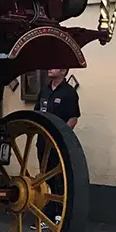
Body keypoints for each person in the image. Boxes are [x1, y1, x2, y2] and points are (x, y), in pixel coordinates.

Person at [33, 67, 79, 222]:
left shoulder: (69, 92)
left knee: (60, 177)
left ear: (63, 71)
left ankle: (61, 213)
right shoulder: (44, 91)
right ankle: (51, 212)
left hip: (58, 142)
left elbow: (73, 119)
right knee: (46, 175)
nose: (50, 69)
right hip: (42, 141)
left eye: (54, 67)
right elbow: (37, 113)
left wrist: (60, 135)